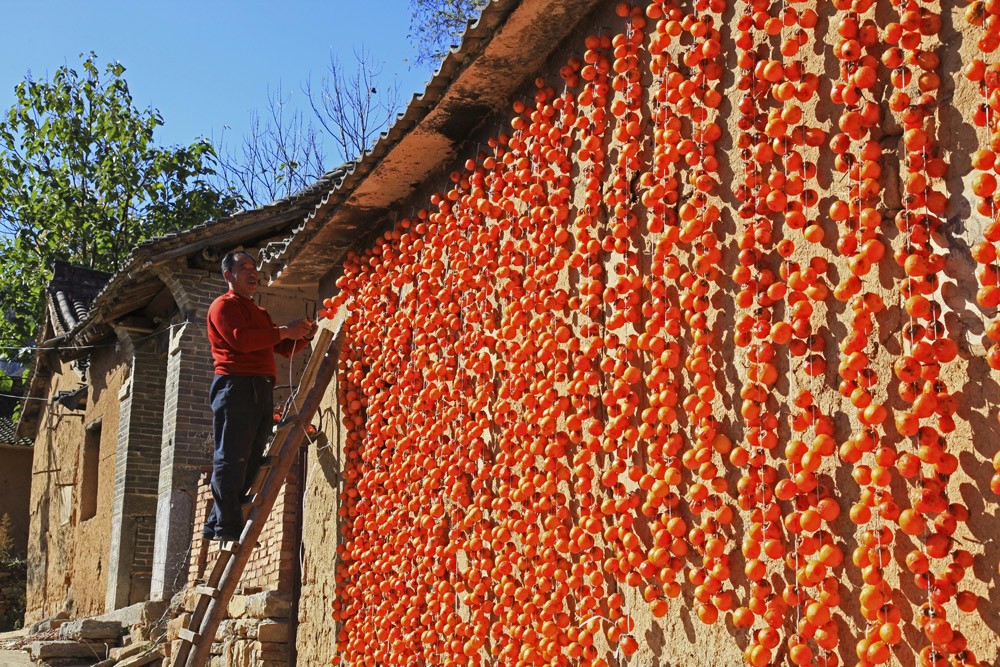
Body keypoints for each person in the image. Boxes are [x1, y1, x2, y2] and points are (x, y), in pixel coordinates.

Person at [202, 250, 317, 542]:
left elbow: (281, 349)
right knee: (231, 455)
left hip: (261, 386)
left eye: (254, 269)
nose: (253, 274)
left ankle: (217, 522)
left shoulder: (260, 312)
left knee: (253, 452)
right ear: (229, 275)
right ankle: (227, 526)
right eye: (244, 269)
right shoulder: (222, 306)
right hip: (235, 385)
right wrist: (285, 331)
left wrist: (302, 336)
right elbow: (241, 341)